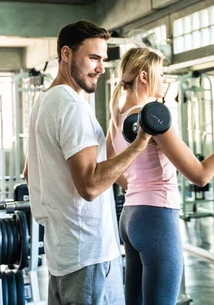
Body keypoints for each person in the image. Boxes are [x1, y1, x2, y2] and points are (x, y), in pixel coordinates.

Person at [107, 47, 214, 305]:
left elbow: (112, 169)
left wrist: (139, 189)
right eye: (160, 74)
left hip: (130, 218)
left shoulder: (117, 117)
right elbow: (200, 175)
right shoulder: (152, 116)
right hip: (157, 220)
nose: (164, 80)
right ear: (143, 76)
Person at [25, 20, 151, 305]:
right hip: (89, 254)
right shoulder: (71, 106)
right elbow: (90, 186)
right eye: (93, 58)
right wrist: (140, 143)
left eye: (103, 59)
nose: (101, 68)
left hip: (61, 253)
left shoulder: (43, 101)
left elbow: (29, 171)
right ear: (66, 54)